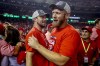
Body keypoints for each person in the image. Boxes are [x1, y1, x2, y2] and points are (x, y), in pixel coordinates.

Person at [28, 1, 81, 66]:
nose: (54, 16)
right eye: (53, 13)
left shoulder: (71, 33)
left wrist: (37, 46)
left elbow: (61, 61)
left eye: (58, 13)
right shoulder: (54, 30)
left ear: (67, 15)